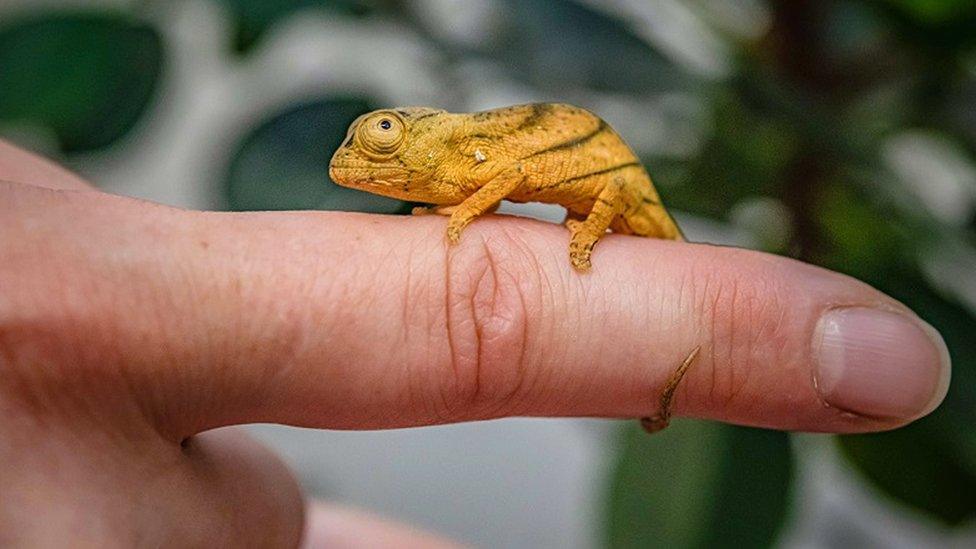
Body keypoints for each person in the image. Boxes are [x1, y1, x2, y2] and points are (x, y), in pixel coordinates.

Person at [0, 140, 950, 547]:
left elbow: (541, 166)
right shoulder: (444, 168)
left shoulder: (475, 155)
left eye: (378, 147)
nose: (359, 171)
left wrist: (553, 229)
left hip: (608, 185)